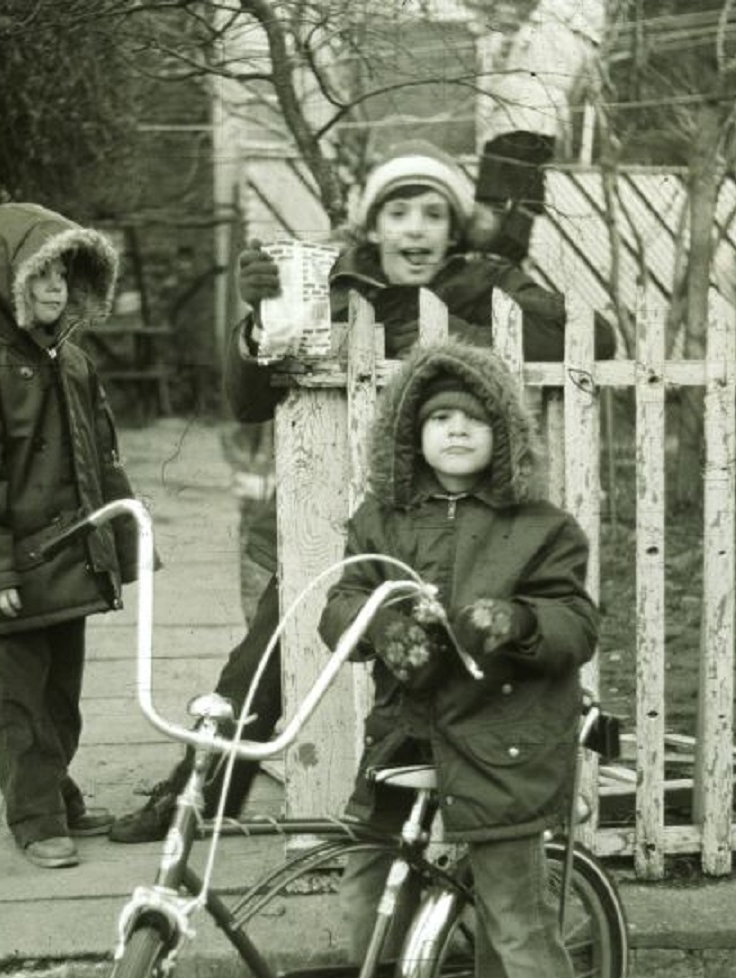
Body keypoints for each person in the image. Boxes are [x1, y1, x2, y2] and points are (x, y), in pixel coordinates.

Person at [108, 139, 614, 843]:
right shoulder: (331, 286)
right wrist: (258, 319)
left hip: (452, 524)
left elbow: (595, 342)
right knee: (259, 668)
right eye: (398, 213)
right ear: (373, 225)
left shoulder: (486, 282)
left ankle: (450, 831)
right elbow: (250, 399)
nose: (415, 229)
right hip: (328, 514)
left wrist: (466, 309)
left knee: (454, 673)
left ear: (454, 228)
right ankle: (196, 804)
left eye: (433, 214)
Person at [318, 337, 599, 978]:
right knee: (369, 889)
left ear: (503, 435)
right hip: (404, 733)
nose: (456, 430)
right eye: (439, 418)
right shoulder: (381, 519)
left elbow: (576, 621)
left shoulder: (542, 527)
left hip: (502, 736)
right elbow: (342, 599)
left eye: (475, 419)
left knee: (514, 920)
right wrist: (382, 627)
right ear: (410, 434)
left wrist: (518, 622)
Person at [0, 202, 142, 869]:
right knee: (23, 701)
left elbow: (100, 460)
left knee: (62, 696)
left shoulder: (72, 363)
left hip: (71, 560)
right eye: (40, 276)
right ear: (9, 283)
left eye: (63, 276)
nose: (55, 289)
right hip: (21, 570)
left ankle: (56, 790)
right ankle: (33, 814)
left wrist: (118, 545)